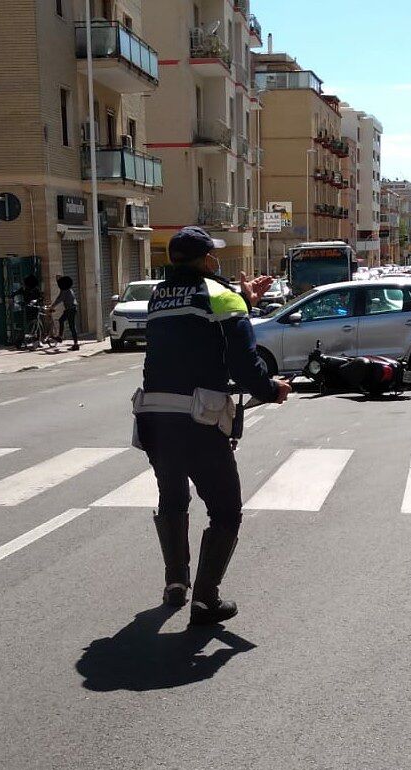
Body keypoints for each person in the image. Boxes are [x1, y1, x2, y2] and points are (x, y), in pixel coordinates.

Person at [134, 226, 291, 626]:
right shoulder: (221, 296)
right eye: (213, 255)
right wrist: (271, 389)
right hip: (198, 421)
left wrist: (243, 301)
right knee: (225, 510)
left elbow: (193, 334)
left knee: (172, 498)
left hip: (154, 418)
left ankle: (175, 583)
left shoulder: (158, 297)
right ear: (207, 260)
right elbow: (243, 362)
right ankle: (206, 599)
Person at [52, 275, 80, 351]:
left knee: (72, 326)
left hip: (70, 309)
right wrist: (52, 306)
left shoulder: (65, 290)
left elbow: (60, 299)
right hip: (70, 309)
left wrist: (52, 306)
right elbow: (59, 297)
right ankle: (60, 337)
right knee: (61, 320)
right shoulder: (65, 289)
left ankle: (75, 344)